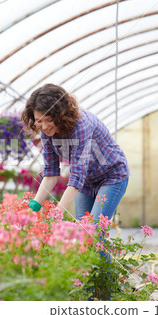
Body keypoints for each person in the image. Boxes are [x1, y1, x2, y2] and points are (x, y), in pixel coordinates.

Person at [21, 83, 129, 221]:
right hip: (87, 181)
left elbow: (77, 175)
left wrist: (57, 213)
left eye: (49, 120)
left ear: (60, 115)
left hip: (111, 176)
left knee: (92, 230)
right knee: (80, 232)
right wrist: (33, 207)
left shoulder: (80, 126)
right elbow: (51, 173)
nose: (44, 126)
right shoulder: (46, 133)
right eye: (39, 121)